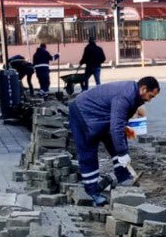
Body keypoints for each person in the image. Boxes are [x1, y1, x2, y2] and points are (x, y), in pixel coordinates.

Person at [68, 76, 160, 206]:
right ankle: (92, 192)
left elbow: (119, 121)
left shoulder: (134, 94)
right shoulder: (125, 96)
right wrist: (122, 152)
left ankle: (123, 178)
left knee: (118, 140)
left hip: (101, 115)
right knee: (88, 151)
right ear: (143, 89)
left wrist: (125, 130)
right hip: (82, 113)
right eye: (151, 96)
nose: (150, 100)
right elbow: (115, 126)